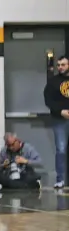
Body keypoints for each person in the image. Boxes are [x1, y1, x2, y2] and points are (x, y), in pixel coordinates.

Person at [43, 55, 69, 189]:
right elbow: (48, 100)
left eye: (63, 64)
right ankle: (60, 179)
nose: (60, 67)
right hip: (59, 119)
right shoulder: (53, 82)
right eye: (58, 65)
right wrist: (60, 111)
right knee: (61, 149)